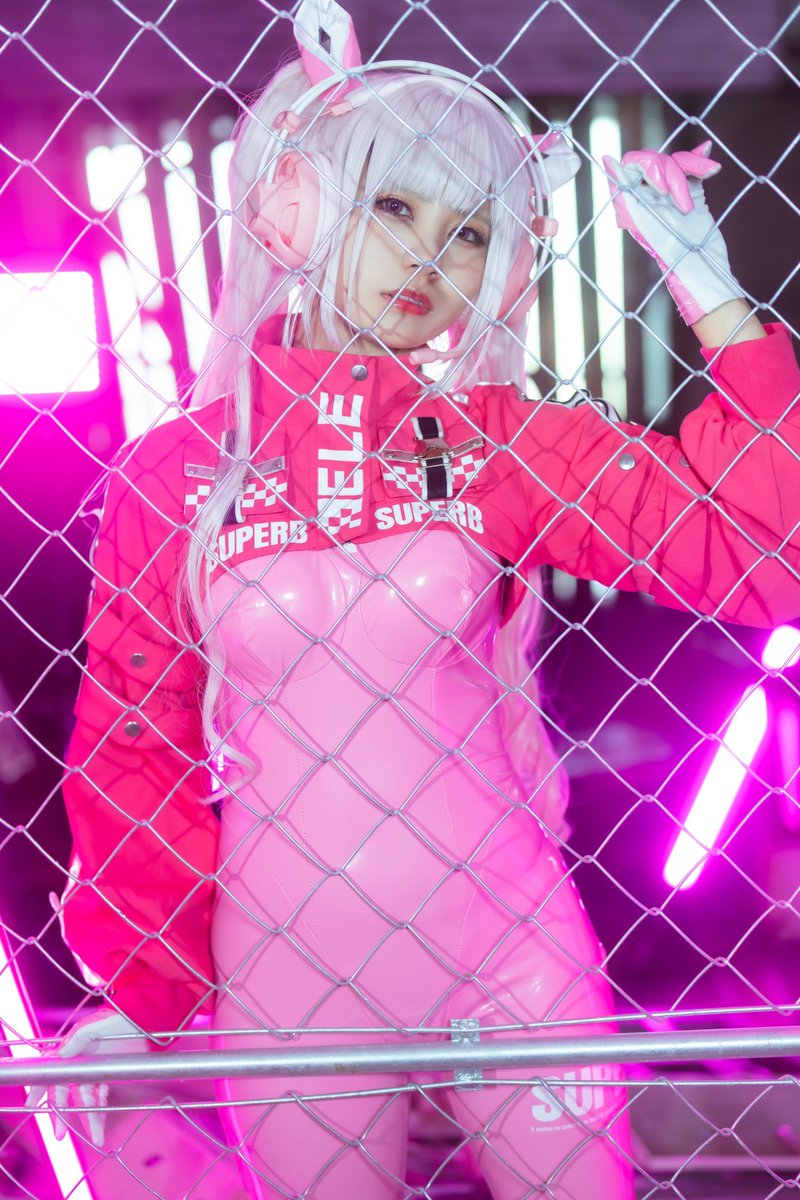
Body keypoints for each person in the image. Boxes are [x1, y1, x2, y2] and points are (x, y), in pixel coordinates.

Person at [33, 1, 800, 1196]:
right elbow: (135, 747)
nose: (430, 260)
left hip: (510, 950)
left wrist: (706, 287)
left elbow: (761, 547)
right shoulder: (175, 474)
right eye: (392, 208)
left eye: (468, 229)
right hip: (287, 978)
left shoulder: (492, 445)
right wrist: (145, 992)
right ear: (294, 208)